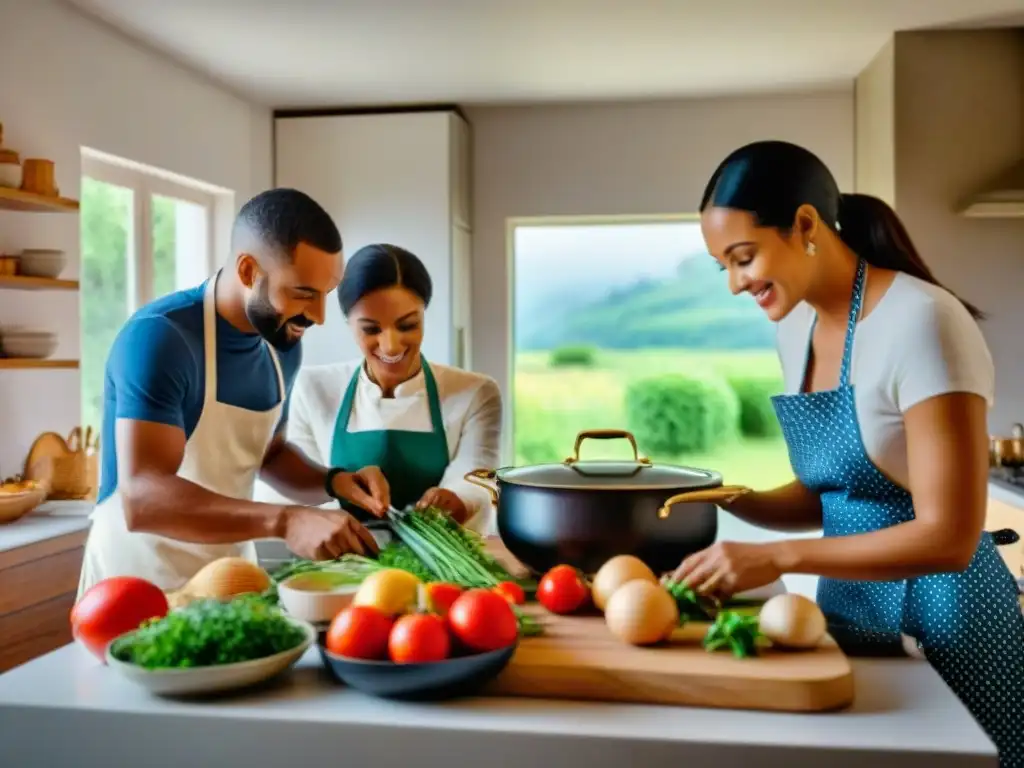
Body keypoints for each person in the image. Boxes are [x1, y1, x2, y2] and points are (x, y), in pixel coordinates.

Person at [674, 140, 1024, 766]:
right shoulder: (795, 329)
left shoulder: (923, 321)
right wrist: (714, 495)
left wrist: (774, 556)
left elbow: (949, 535)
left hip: (949, 617)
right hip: (849, 611)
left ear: (805, 225)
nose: (734, 284)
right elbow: (831, 491)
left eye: (743, 257)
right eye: (722, 266)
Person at [78, 188, 392, 597]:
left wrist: (334, 482)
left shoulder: (282, 347)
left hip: (229, 579)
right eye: (303, 293)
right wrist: (285, 521)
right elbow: (142, 498)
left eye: (325, 295)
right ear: (248, 271)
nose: (317, 316)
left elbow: (268, 456)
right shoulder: (161, 338)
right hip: (136, 584)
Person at [285, 243, 502, 532]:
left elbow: (477, 476)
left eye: (407, 325)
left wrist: (456, 499)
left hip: (445, 567)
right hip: (340, 564)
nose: (391, 345)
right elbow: (300, 486)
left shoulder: (475, 392)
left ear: (424, 315)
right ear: (348, 323)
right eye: (371, 329)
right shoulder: (313, 389)